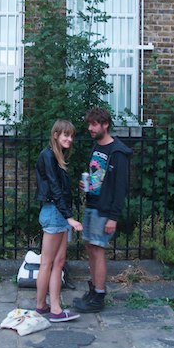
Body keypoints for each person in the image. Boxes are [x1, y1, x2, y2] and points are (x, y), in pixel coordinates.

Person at [74, 107, 132, 313]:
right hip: (92, 204)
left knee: (98, 250)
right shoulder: (97, 146)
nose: (90, 128)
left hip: (104, 210)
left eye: (94, 124)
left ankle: (98, 297)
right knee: (90, 247)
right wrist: (87, 185)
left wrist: (113, 217)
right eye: (89, 124)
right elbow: (98, 177)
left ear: (105, 125)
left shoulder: (118, 152)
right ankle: (93, 289)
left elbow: (120, 188)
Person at [35, 119, 84, 322]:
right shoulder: (48, 156)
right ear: (55, 135)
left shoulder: (58, 156)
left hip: (58, 213)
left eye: (71, 136)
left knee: (58, 262)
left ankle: (45, 306)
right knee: (48, 263)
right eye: (66, 135)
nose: (69, 139)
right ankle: (53, 309)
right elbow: (54, 189)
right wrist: (69, 218)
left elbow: (60, 189)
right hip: (55, 213)